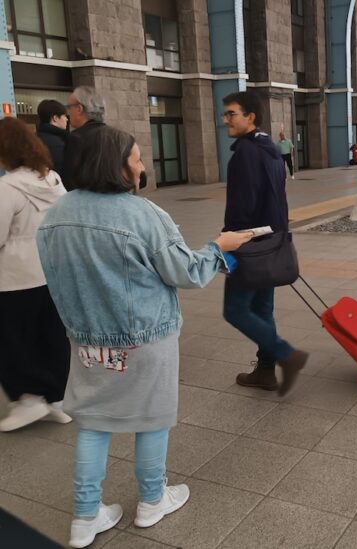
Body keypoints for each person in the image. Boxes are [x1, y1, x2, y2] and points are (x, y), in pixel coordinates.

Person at [36, 126, 252, 548]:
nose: (141, 167)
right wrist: (219, 247)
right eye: (135, 158)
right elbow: (185, 272)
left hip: (87, 341)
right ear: (115, 165)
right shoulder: (142, 214)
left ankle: (85, 517)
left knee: (93, 423)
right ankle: (152, 500)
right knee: (153, 418)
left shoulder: (55, 214)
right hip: (145, 339)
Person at [221, 92, 308, 396]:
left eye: (231, 114)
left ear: (250, 117)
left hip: (248, 245)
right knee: (262, 307)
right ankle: (266, 371)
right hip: (271, 243)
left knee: (235, 310)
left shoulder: (246, 152)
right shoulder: (270, 149)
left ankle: (286, 355)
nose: (225, 120)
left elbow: (242, 208)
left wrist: (227, 244)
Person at [0, 117, 71, 432]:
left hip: (14, 278)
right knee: (52, 336)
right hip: (51, 271)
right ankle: (56, 399)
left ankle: (28, 398)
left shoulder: (7, 187)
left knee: (13, 339)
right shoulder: (53, 180)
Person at [61, 86, 107, 190]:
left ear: (79, 109)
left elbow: (69, 180)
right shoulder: (119, 137)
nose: (68, 113)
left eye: (69, 107)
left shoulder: (76, 138)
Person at [36, 99, 69, 176]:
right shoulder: (59, 142)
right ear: (55, 118)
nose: (67, 119)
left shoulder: (34, 139)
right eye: (64, 116)